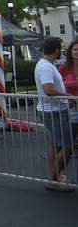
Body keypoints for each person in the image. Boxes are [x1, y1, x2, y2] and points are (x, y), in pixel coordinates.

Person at [34, 36, 74, 191]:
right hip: (53, 111)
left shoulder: (46, 65)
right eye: (61, 48)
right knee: (67, 145)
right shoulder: (46, 67)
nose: (62, 51)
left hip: (54, 110)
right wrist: (69, 97)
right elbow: (48, 89)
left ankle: (56, 177)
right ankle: (52, 179)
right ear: (56, 49)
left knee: (55, 144)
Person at [57, 39, 78, 153]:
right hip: (71, 107)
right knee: (70, 138)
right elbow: (57, 86)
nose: (77, 52)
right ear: (70, 52)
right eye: (75, 49)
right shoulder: (63, 68)